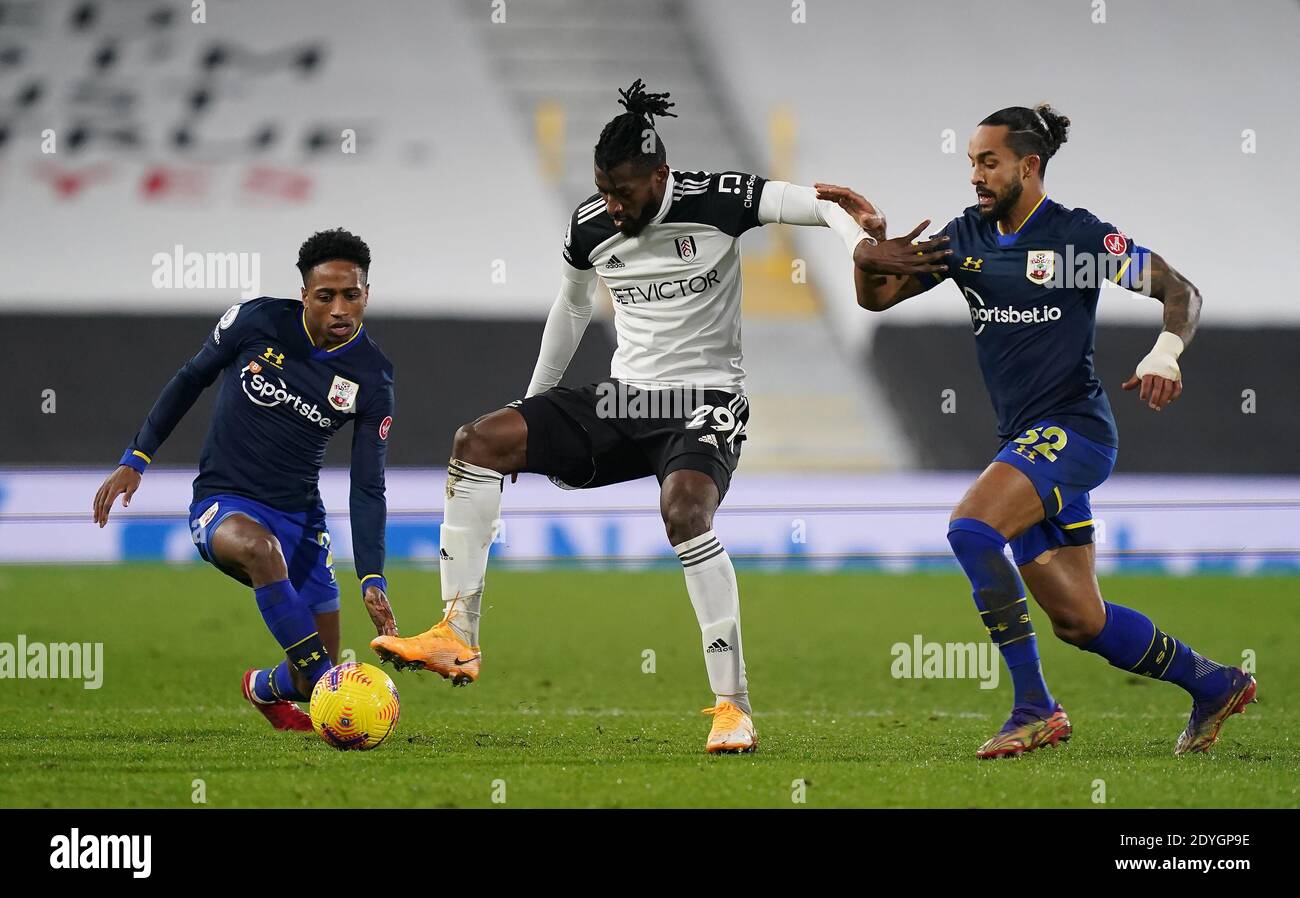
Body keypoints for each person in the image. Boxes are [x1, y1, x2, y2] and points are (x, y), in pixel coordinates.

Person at [372, 79, 876, 754]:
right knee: (479, 441)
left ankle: (732, 708)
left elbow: (818, 204)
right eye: (604, 190)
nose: (614, 206)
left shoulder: (718, 198)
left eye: (626, 193)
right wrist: (533, 403)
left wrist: (861, 246)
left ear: (660, 176)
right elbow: (574, 308)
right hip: (626, 400)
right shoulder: (591, 225)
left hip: (705, 402)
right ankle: (456, 635)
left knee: (686, 513)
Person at [822, 104, 1256, 758]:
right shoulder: (964, 239)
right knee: (1082, 622)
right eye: (970, 161)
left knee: (971, 529)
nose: (975, 175)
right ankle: (1214, 683)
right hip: (1026, 443)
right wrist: (870, 247)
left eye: (987, 161)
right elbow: (875, 299)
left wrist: (1165, 351)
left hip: (1075, 431)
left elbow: (1178, 289)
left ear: (1028, 165)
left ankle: (1035, 708)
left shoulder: (1078, 239)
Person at [92, 228, 398, 731]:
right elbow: (191, 378)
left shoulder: (373, 376)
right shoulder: (257, 321)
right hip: (224, 503)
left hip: (301, 518)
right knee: (261, 554)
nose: (340, 309)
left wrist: (371, 576)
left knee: (300, 675)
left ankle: (262, 688)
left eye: (352, 295)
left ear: (367, 293)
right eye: (326, 296)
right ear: (305, 295)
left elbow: (368, 485)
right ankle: (333, 693)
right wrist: (137, 456)